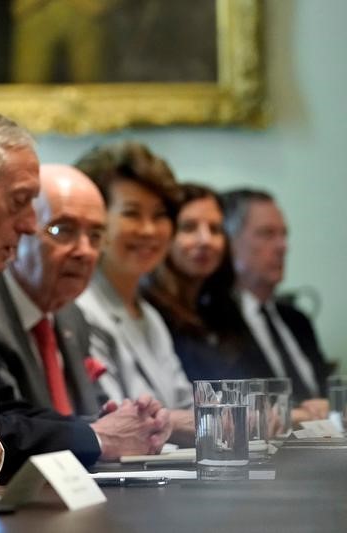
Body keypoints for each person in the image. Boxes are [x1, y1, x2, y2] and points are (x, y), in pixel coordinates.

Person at [0, 111, 170, 475]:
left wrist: (97, 428)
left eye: (97, 236)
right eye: (20, 202)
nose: (30, 225)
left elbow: (1, 410)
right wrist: (96, 436)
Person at [0, 161, 171, 460]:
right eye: (63, 230)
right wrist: (101, 435)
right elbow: (9, 429)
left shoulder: (71, 316)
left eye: (95, 236)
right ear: (20, 229)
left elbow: (91, 415)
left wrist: (134, 421)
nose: (84, 251)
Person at [73, 141, 195, 445]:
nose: (149, 231)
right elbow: (117, 420)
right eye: (132, 213)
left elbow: (186, 405)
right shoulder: (80, 309)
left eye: (159, 215)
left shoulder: (149, 315)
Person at [221, 188, 333, 415]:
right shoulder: (214, 322)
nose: (283, 246)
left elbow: (329, 394)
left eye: (284, 234)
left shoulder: (296, 319)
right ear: (230, 243)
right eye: (267, 234)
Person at [142, 183, 251, 381]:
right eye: (189, 227)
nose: (205, 240)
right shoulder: (148, 312)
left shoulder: (222, 312)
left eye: (215, 229)